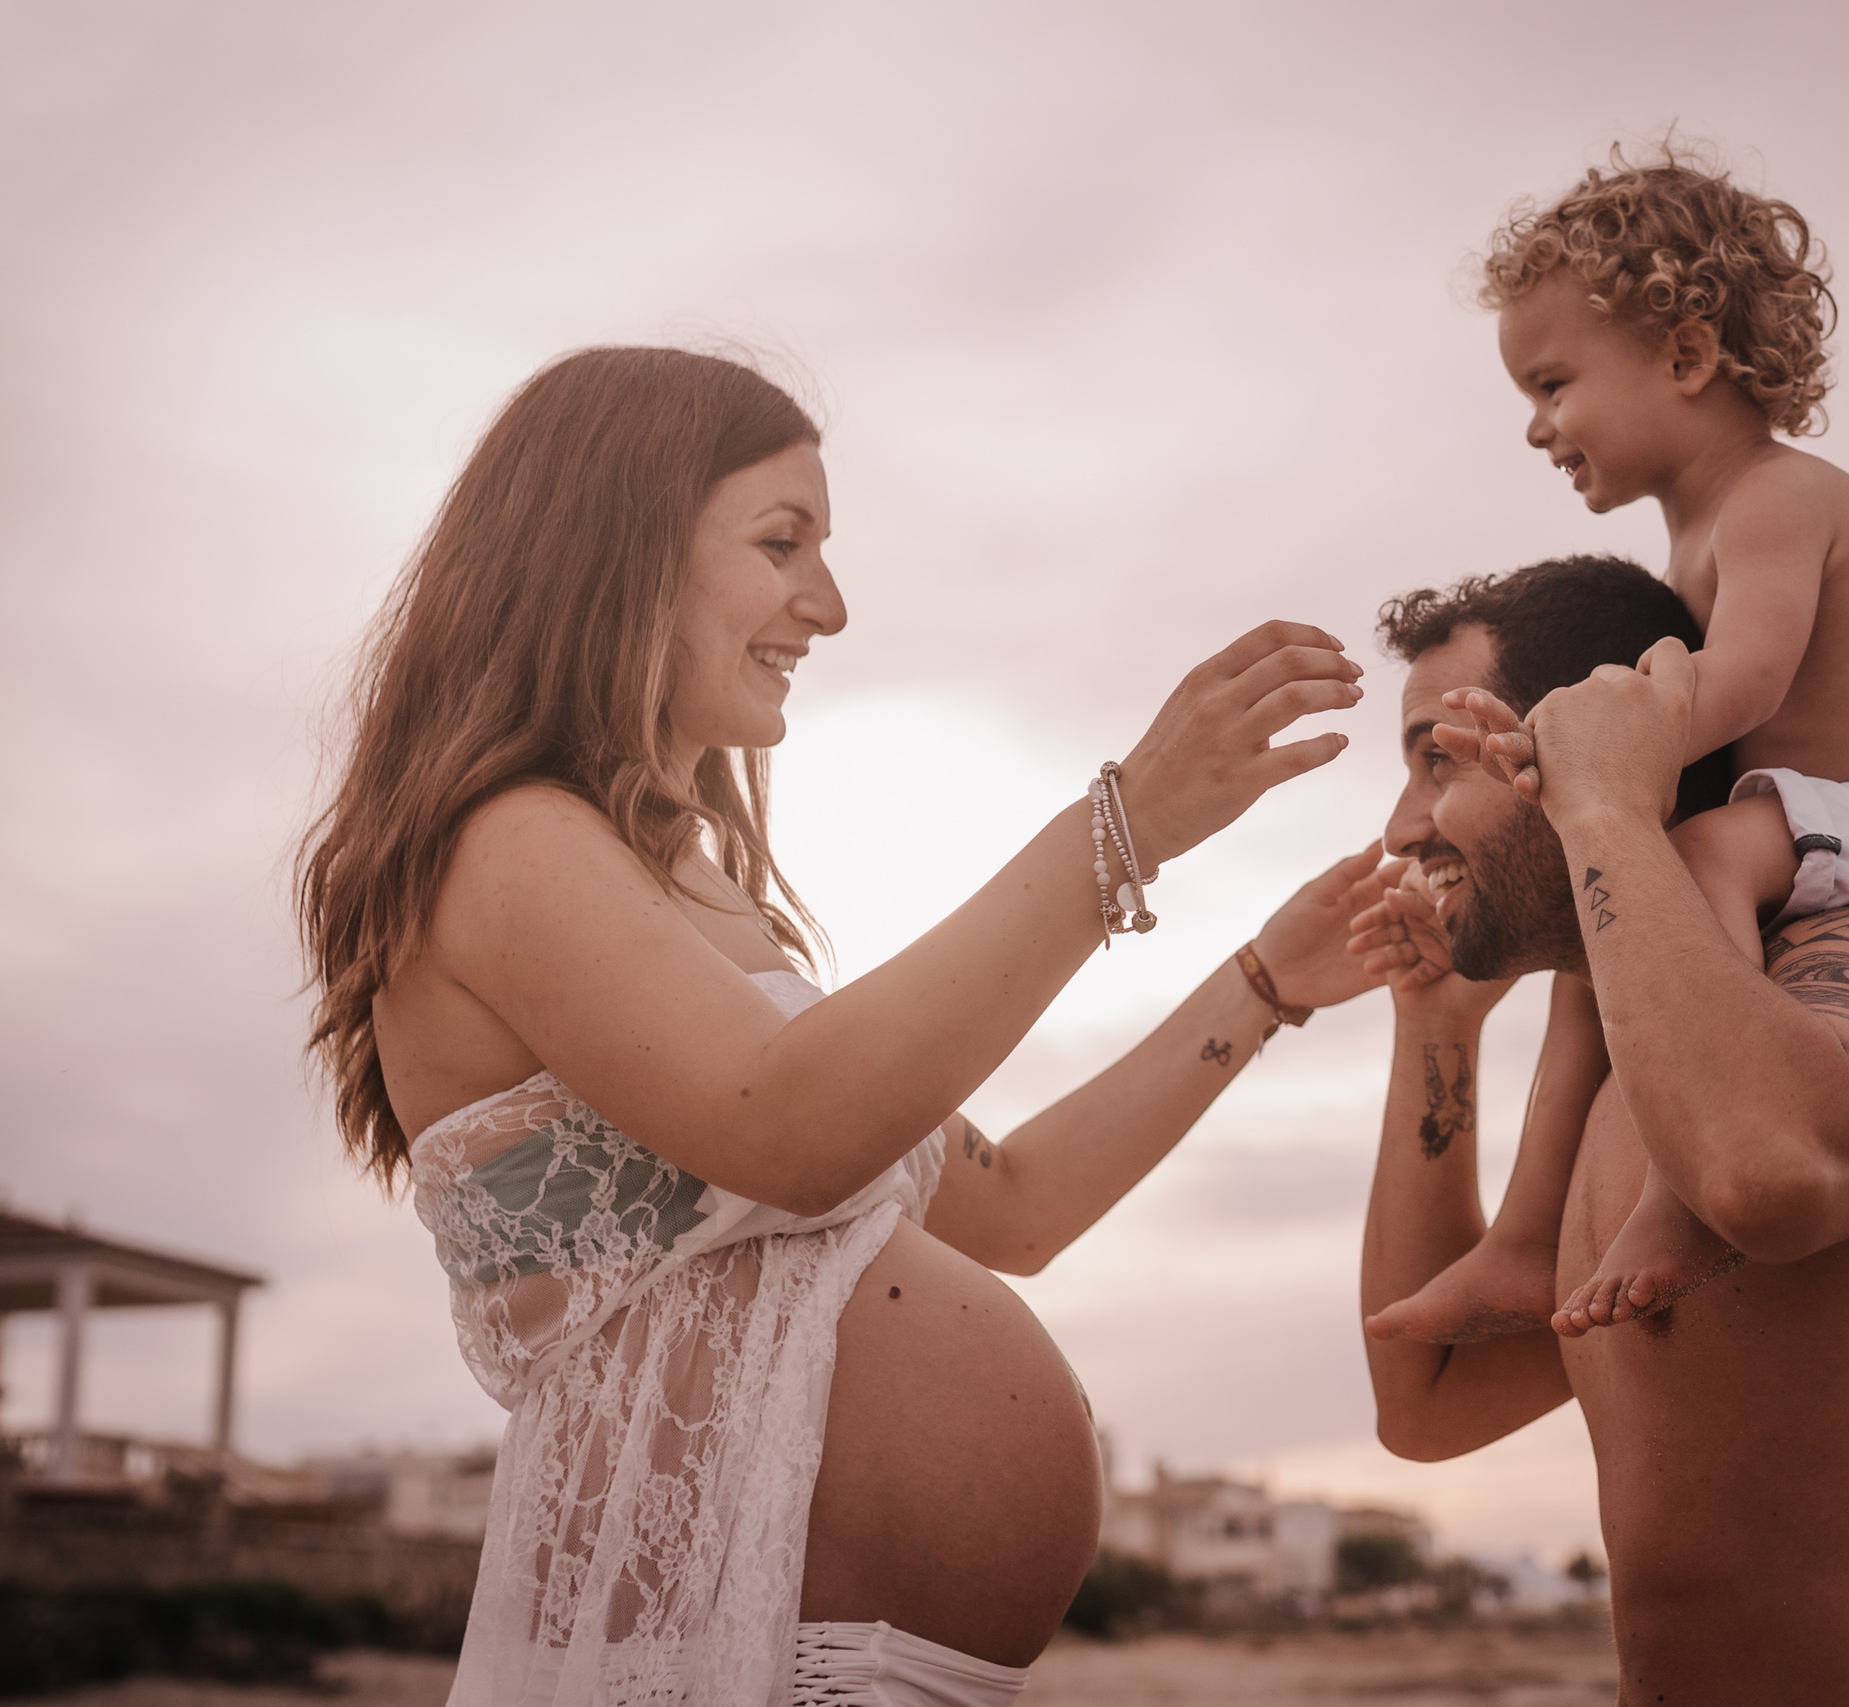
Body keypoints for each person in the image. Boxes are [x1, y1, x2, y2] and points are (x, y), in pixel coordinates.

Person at [294, 347, 1384, 1705]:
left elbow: (1017, 1209)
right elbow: (789, 1126)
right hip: (721, 1655)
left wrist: (1262, 985)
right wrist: (1128, 824)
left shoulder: (705, 907)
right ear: (613, 553)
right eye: (781, 541)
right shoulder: (506, 844)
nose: (830, 602)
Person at [1347, 555, 1849, 1703]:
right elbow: (1425, 1406)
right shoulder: (1614, 1072)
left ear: (1571, 743)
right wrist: (1435, 1031)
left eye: (1435, 760)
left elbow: (1763, 1176)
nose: (1399, 825)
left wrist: (1609, 807)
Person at [1367, 148, 1849, 1345]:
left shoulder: (1775, 500)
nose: (1537, 428)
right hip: (1837, 824)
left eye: (1551, 385)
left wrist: (1572, 751)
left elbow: (1742, 682)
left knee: (1687, 860)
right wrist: (1573, 775)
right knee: (1615, 915)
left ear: (1687, 357)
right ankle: (1526, 1237)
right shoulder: (1692, 536)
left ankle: (1675, 1199)